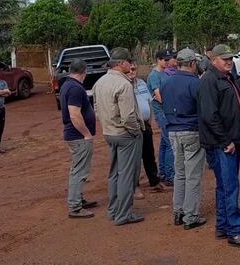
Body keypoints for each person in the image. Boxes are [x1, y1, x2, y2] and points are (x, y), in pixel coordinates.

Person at [198, 44, 240, 248]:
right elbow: (209, 115)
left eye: (230, 59)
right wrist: (226, 141)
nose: (229, 62)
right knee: (230, 185)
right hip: (222, 143)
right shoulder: (210, 80)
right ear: (214, 59)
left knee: (224, 185)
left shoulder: (226, 77)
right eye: (225, 59)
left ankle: (224, 226)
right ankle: (235, 230)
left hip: (229, 140)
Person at [92, 47, 144, 226]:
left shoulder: (100, 82)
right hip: (125, 134)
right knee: (127, 175)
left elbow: (97, 109)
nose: (131, 65)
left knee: (114, 173)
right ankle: (124, 214)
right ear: (121, 63)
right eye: (129, 62)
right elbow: (128, 116)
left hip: (109, 132)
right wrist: (136, 131)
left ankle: (114, 210)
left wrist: (108, 125)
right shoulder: (123, 84)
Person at [162, 48, 207, 230]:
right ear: (193, 64)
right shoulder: (195, 83)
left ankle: (178, 211)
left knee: (180, 173)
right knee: (193, 175)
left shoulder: (167, 82)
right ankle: (190, 215)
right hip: (191, 130)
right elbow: (203, 109)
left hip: (173, 131)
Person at [60, 59, 99, 218]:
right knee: (80, 171)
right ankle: (75, 206)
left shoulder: (67, 85)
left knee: (77, 168)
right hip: (78, 136)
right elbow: (74, 114)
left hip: (74, 135)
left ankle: (78, 199)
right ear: (84, 71)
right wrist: (86, 133)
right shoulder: (75, 88)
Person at [127, 61, 164, 200]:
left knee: (149, 155)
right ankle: (134, 186)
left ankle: (154, 181)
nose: (132, 72)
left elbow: (149, 102)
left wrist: (149, 122)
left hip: (145, 125)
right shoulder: (124, 85)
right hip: (133, 126)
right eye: (129, 69)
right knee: (134, 158)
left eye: (134, 69)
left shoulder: (142, 83)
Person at [147, 49, 175, 185]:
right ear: (159, 59)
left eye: (168, 59)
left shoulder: (165, 73)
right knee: (169, 142)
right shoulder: (154, 75)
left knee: (165, 143)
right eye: (165, 59)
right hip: (162, 112)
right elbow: (158, 95)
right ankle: (170, 175)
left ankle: (163, 172)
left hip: (166, 111)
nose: (168, 61)